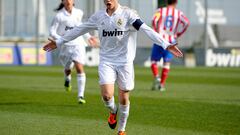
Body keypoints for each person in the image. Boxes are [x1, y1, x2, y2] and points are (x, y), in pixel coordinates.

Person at [43, 0, 183, 134]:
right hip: (106, 61)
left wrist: (165, 44)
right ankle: (112, 111)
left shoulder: (129, 14)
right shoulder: (99, 16)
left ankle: (121, 129)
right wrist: (60, 41)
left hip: (125, 62)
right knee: (106, 95)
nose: (108, 0)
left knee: (123, 98)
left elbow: (146, 29)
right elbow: (80, 29)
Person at [49, 0, 98, 104]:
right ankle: (67, 78)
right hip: (65, 46)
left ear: (73, 1)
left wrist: (88, 37)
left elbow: (81, 27)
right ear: (62, 2)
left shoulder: (79, 12)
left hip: (78, 44)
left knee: (79, 68)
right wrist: (61, 39)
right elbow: (52, 31)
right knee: (67, 69)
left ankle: (81, 96)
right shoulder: (59, 16)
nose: (68, 1)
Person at [151, 0, 189, 91]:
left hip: (160, 39)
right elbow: (186, 22)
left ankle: (157, 77)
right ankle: (162, 85)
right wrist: (178, 33)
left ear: (166, 1)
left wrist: (156, 32)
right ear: (176, 2)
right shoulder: (179, 13)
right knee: (166, 63)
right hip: (171, 40)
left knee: (154, 61)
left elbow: (154, 20)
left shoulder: (160, 11)